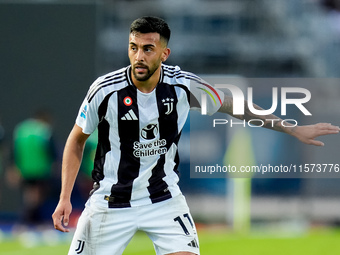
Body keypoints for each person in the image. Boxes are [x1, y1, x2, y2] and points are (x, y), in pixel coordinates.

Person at [52, 16, 339, 255]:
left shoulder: (182, 86)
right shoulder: (105, 90)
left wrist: (293, 127)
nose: (139, 56)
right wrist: (65, 197)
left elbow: (234, 106)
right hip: (111, 201)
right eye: (133, 47)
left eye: (148, 48)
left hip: (162, 199)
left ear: (164, 53)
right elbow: (76, 140)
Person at [13, 109, 58, 224]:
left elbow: (15, 151)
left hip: (25, 169)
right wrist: (55, 165)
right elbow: (51, 150)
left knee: (30, 195)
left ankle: (30, 220)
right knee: (37, 197)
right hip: (40, 169)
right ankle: (29, 220)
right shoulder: (44, 130)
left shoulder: (21, 129)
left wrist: (14, 167)